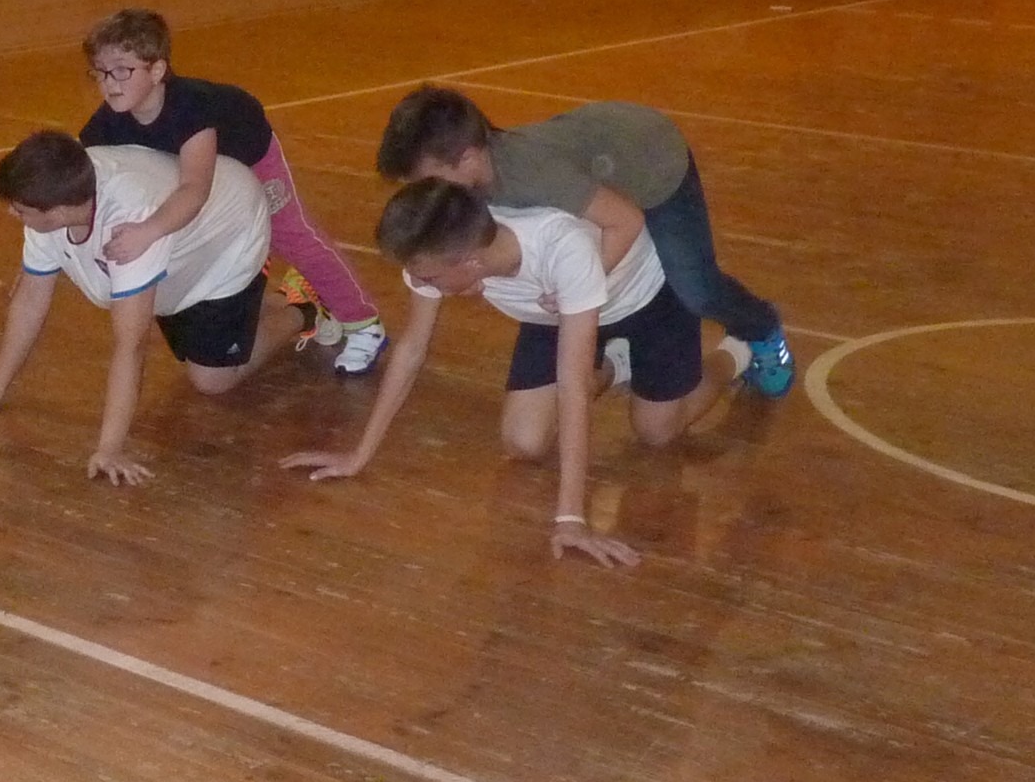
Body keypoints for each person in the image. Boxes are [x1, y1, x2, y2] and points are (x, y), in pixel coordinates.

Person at [283, 178, 754, 565]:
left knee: (658, 432)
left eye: (428, 278)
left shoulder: (560, 248)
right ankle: (617, 364)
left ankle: (739, 348)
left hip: (644, 295)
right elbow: (411, 350)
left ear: (471, 262)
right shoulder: (443, 253)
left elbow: (573, 384)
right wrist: (359, 455)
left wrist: (571, 518)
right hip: (555, 309)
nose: (419, 283)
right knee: (524, 441)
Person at [0, 129, 301, 486]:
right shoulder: (55, 192)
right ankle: (260, 304)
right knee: (152, 307)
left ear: (57, 213)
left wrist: (110, 449)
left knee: (212, 380)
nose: (12, 214)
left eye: (20, 209)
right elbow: (29, 301)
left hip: (228, 236)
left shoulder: (131, 223)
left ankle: (304, 305)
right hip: (179, 245)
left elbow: (131, 343)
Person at [376, 86, 793, 396]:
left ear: (468, 157)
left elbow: (626, 221)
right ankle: (621, 352)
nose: (421, 191)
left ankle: (760, 325)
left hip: (653, 161)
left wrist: (584, 282)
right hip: (604, 158)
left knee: (695, 287)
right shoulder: (471, 184)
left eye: (425, 178)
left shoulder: (533, 176)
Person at [78, 9, 388, 373]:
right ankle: (293, 299)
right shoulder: (105, 125)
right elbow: (82, 178)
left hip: (247, 155)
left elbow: (195, 189)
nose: (109, 83)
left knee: (291, 234)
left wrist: (147, 232)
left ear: (158, 70)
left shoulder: (190, 109)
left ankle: (364, 322)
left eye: (121, 71)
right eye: (100, 72)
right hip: (198, 171)